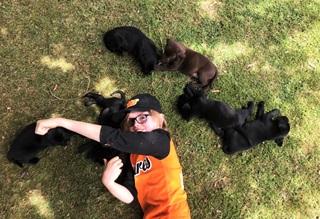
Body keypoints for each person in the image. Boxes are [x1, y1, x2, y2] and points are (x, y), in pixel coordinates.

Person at [35, 93, 191, 218]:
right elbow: (129, 196)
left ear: (160, 119)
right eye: (131, 122)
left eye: (142, 117)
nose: (136, 124)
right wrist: (109, 182)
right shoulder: (133, 155)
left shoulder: (162, 141)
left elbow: (113, 137)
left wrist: (61, 122)